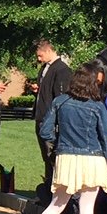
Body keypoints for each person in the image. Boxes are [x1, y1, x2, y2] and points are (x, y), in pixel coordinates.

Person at [22, 64, 107, 214]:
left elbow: (45, 131)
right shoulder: (97, 106)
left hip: (66, 157)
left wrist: (58, 145)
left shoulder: (60, 101)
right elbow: (106, 138)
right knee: (87, 207)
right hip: (93, 158)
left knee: (56, 205)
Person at [32, 40, 74, 198]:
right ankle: (48, 188)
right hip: (41, 117)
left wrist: (57, 121)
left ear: (49, 51)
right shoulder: (45, 68)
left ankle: (56, 192)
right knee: (46, 156)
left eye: (40, 55)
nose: (39, 59)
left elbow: (61, 97)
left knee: (52, 156)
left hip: (51, 121)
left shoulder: (62, 70)